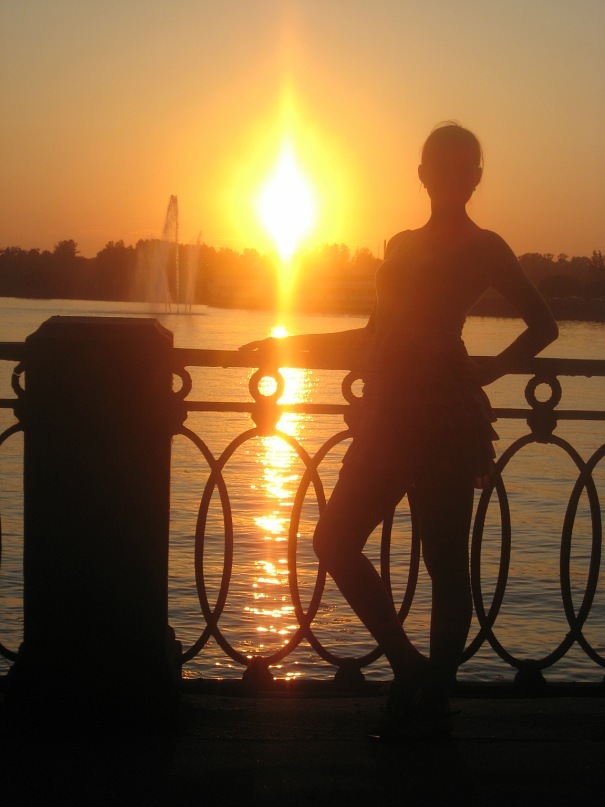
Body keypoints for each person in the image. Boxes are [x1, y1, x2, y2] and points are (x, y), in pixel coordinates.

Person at [241, 122, 558, 738]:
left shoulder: (487, 246)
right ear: (422, 174)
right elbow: (372, 336)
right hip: (390, 413)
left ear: (476, 177)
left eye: (463, 167)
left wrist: (487, 371)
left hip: (444, 419)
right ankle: (411, 668)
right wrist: (285, 345)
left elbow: (543, 325)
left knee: (445, 565)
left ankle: (432, 702)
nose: (451, 177)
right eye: (441, 166)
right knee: (334, 540)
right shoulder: (401, 244)